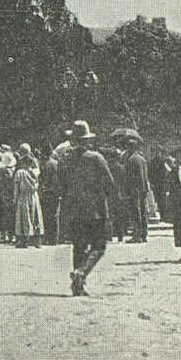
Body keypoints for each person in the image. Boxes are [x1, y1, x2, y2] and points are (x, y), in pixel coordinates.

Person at [60, 120, 116, 295]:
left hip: (73, 209)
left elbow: (61, 185)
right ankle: (82, 272)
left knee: (78, 246)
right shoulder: (96, 158)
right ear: (87, 140)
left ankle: (77, 285)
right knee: (99, 246)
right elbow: (109, 183)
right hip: (95, 210)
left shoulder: (65, 160)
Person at [118, 133, 150, 243]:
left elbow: (130, 177)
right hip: (143, 189)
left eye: (128, 147)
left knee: (136, 212)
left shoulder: (131, 160)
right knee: (143, 211)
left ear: (131, 147)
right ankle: (144, 234)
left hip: (134, 189)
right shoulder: (142, 158)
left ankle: (137, 235)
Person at [13, 155, 44, 248]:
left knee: (24, 217)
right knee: (35, 217)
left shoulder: (20, 173)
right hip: (34, 196)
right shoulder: (35, 172)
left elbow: (16, 187)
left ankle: (24, 240)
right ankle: (37, 240)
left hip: (23, 196)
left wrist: (15, 199)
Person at [40, 146, 63, 244]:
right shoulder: (56, 164)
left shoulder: (44, 164)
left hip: (46, 191)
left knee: (47, 215)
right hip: (54, 192)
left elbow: (42, 179)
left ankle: (48, 237)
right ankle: (54, 238)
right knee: (54, 215)